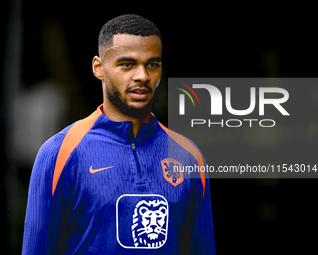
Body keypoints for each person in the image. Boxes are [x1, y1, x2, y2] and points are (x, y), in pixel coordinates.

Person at [22, 14, 216, 254]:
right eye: (127, 64)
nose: (142, 76)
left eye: (152, 64)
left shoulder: (189, 156)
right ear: (99, 68)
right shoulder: (60, 153)